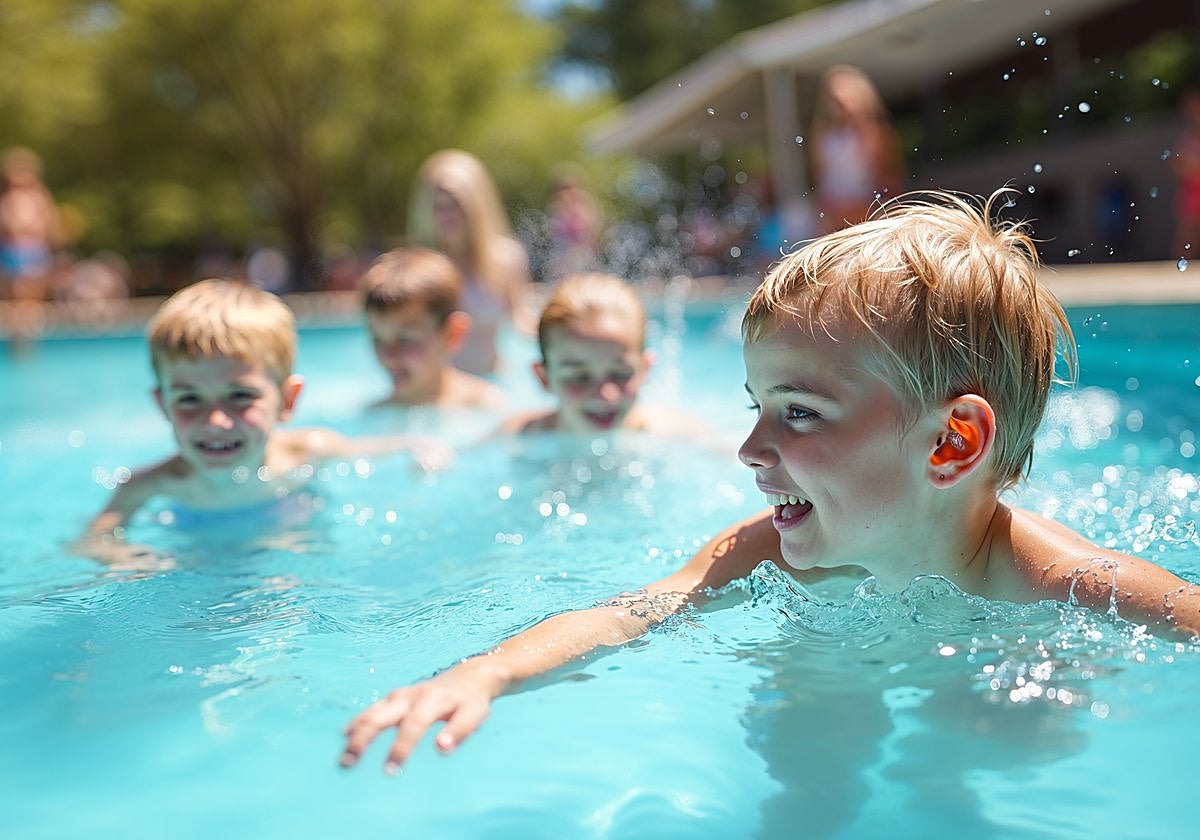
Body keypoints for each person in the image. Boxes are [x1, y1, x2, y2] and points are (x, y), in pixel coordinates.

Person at [340, 189, 1200, 773]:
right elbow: (631, 613)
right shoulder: (783, 554)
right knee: (800, 736)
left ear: (951, 444)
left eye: (796, 413)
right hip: (832, 663)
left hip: (1002, 676)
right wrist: (483, 673)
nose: (749, 449)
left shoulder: (1069, 585)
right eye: (756, 407)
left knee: (1006, 733)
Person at [77, 278, 452, 570]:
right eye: (189, 399)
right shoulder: (151, 484)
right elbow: (94, 540)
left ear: (287, 401)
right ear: (163, 405)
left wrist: (418, 447)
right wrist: (130, 561)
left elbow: (372, 449)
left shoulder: (310, 450)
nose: (216, 420)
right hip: (197, 550)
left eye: (240, 396)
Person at [494, 272, 696, 438]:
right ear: (544, 378)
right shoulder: (515, 439)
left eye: (620, 374)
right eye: (579, 377)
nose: (605, 395)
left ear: (645, 370)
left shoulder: (679, 437)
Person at [407, 149, 533, 376]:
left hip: (494, 381)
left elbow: (519, 320)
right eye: (437, 205)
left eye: (455, 202)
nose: (447, 213)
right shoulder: (423, 266)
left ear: (475, 203)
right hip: (443, 393)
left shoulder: (506, 257)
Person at [359, 246, 505, 410]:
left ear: (452, 334)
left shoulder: (485, 403)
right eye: (377, 339)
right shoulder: (375, 413)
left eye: (405, 339)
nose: (388, 356)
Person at [808, 64, 904, 234]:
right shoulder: (823, 133)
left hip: (865, 207)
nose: (840, 103)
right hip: (833, 208)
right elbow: (821, 176)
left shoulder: (874, 131)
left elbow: (888, 175)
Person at [0, 146, 65, 342]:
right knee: (15, 295)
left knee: (32, 296)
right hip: (13, 250)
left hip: (33, 250)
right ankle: (18, 331)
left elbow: (50, 225)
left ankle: (27, 331)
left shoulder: (39, 197)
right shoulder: (8, 199)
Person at [1171, 87, 1200, 262]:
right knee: (1187, 235)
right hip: (1191, 192)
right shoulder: (1187, 138)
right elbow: (1177, 164)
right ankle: (1180, 269)